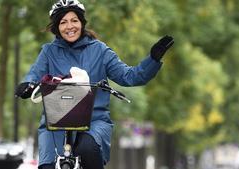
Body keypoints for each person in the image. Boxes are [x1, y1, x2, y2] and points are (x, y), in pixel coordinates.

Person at [15, 0, 174, 169]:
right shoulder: (48, 52)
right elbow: (34, 74)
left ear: (82, 23)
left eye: (74, 20)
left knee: (87, 149)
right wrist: (27, 85)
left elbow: (130, 76)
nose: (70, 26)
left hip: (93, 121)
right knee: (48, 166)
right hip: (55, 122)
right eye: (63, 22)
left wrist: (153, 59)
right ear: (56, 27)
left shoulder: (100, 50)